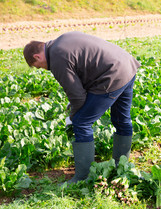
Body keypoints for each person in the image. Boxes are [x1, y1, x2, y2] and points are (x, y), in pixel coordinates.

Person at [23, 31, 141, 185]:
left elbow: (77, 96)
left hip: (111, 75)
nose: (41, 69)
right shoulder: (62, 41)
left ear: (37, 57)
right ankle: (122, 165)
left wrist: (72, 117)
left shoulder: (57, 58)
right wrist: (74, 105)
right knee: (121, 119)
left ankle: (82, 177)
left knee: (81, 122)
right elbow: (85, 70)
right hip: (127, 66)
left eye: (37, 67)